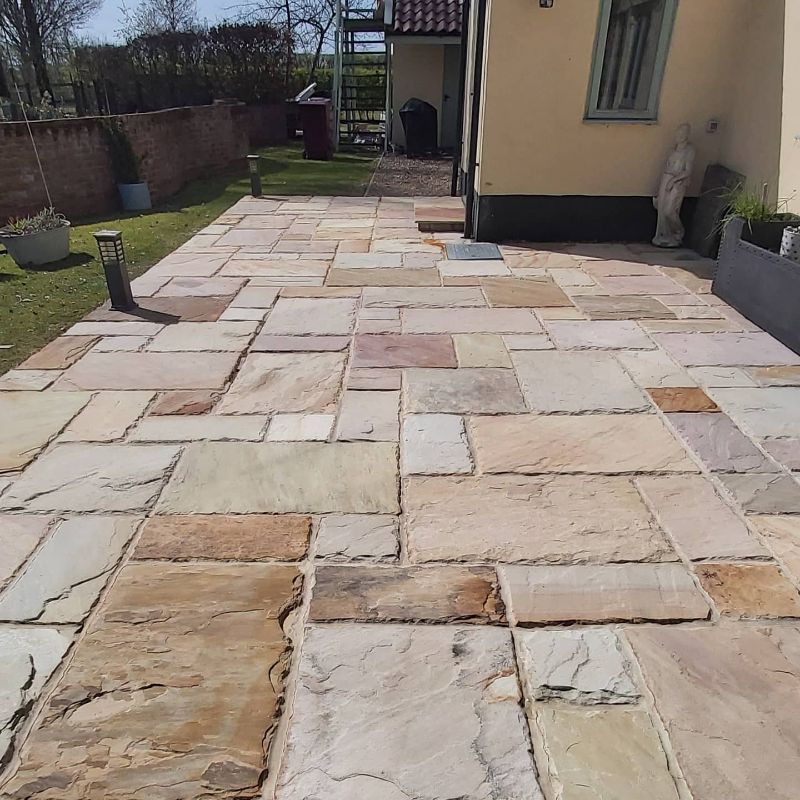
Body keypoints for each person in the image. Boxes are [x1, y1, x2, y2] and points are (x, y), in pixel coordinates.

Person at [653, 123, 696, 247]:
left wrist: (673, 180)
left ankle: (678, 231)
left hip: (678, 182)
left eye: (683, 132)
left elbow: (687, 171)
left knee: (669, 211)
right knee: (661, 209)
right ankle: (663, 235)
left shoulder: (689, 150)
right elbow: (667, 167)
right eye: (679, 132)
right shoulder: (673, 149)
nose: (680, 135)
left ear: (687, 135)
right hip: (666, 179)